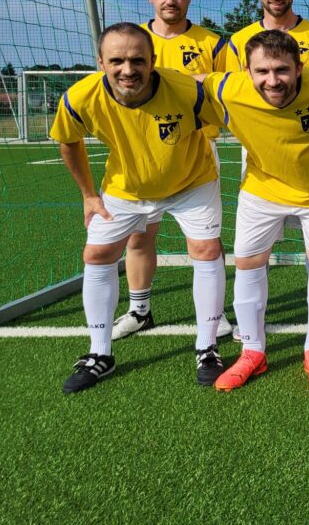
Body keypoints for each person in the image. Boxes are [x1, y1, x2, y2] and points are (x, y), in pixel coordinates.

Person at [51, 23, 226, 393]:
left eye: (137, 60)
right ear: (101, 62)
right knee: (97, 254)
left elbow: (235, 113)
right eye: (116, 61)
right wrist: (88, 195)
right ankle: (100, 353)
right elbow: (68, 141)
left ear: (153, 60)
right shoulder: (79, 98)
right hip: (125, 186)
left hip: (192, 181)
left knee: (206, 249)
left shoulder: (187, 91)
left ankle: (207, 347)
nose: (127, 69)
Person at [201, 30, 309, 391]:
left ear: (299, 68)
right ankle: (253, 351)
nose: (272, 80)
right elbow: (187, 81)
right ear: (246, 72)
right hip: (262, 191)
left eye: (282, 70)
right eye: (262, 71)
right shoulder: (228, 88)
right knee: (248, 264)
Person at [110, 0, 233, 341]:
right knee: (139, 237)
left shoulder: (212, 43)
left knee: (204, 242)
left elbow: (227, 91)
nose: (170, 0)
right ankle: (139, 310)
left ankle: (214, 313)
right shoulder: (132, 40)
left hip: (195, 152)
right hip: (140, 153)